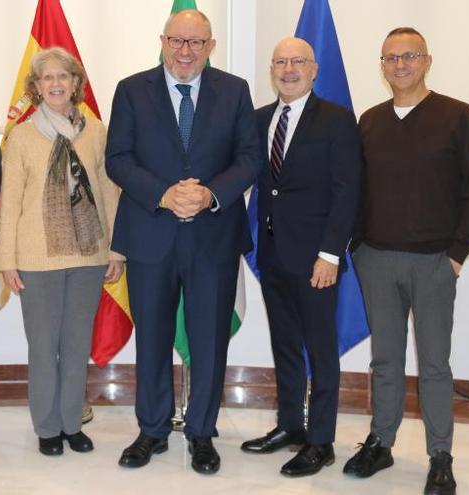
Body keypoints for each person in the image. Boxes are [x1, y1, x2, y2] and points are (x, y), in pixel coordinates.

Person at [106, 9, 260, 474]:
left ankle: (201, 433)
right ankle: (151, 430)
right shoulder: (132, 90)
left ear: (211, 47)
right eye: (177, 41)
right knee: (151, 336)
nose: (185, 51)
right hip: (151, 235)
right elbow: (118, 158)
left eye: (196, 43)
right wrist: (163, 194)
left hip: (213, 237)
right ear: (163, 41)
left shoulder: (234, 91)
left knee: (209, 341)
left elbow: (250, 158)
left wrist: (210, 194)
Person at [343, 28, 469, 495]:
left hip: (434, 264)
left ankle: (440, 455)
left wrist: (457, 254)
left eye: (409, 56)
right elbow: (352, 190)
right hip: (377, 261)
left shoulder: (458, 117)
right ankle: (381, 443)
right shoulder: (368, 121)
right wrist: (357, 247)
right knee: (384, 360)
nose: (400, 64)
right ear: (382, 66)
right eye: (390, 57)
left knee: (434, 364)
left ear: (427, 61)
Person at [239, 37, 361, 477]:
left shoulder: (337, 120)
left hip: (316, 262)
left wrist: (330, 254)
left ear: (314, 69)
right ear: (272, 69)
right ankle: (290, 425)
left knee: (321, 351)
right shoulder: (258, 120)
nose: (288, 69)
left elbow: (347, 193)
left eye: (297, 62)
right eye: (280, 62)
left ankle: (321, 441)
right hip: (271, 257)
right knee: (285, 346)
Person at [0, 47, 124, 457]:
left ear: (75, 83)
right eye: (46, 78)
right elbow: (10, 199)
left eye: (63, 77)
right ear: (35, 87)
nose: (55, 84)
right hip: (36, 259)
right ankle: (47, 427)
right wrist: (6, 260)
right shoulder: (20, 136)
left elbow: (109, 193)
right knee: (43, 345)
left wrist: (116, 251)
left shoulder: (96, 132)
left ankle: (72, 423)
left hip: (88, 257)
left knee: (75, 346)